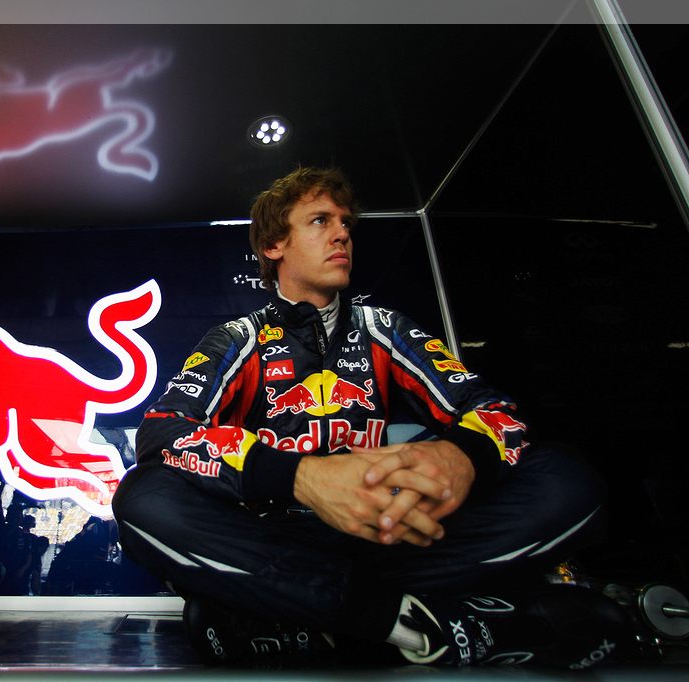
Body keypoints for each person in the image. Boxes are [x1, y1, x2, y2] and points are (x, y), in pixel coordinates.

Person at [112, 167, 628, 668]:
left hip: (389, 536)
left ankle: (313, 621)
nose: (342, 233)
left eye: (345, 223)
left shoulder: (385, 328)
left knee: (569, 479)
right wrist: (302, 478)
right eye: (320, 220)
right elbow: (163, 432)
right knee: (143, 499)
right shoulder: (239, 337)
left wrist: (463, 457)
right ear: (274, 246)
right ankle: (429, 624)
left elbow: (494, 411)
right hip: (278, 542)